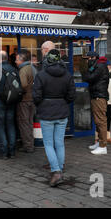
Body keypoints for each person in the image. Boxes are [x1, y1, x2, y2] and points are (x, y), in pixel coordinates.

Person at [33, 49, 76, 187]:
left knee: (48, 143)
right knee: (59, 142)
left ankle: (56, 171)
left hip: (46, 112)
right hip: (62, 111)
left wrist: (42, 104)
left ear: (47, 60)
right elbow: (71, 95)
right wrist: (62, 102)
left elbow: (36, 96)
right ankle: (60, 167)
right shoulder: (67, 75)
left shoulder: (41, 75)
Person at [0, 51, 19, 159]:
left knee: (0, 126)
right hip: (12, 101)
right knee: (10, 125)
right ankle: (12, 151)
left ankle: (3, 151)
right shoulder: (15, 70)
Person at [82, 51, 110, 155]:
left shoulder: (100, 66)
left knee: (101, 121)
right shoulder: (97, 65)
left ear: (93, 57)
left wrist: (88, 69)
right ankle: (99, 142)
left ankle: (103, 146)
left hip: (99, 96)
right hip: (96, 95)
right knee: (97, 120)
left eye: (89, 58)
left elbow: (89, 78)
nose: (87, 60)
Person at [15, 49, 37, 153]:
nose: (15, 61)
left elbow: (22, 85)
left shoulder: (23, 69)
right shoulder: (33, 68)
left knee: (24, 123)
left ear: (22, 59)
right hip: (32, 99)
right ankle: (30, 144)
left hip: (24, 100)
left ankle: (28, 146)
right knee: (29, 122)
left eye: (16, 59)